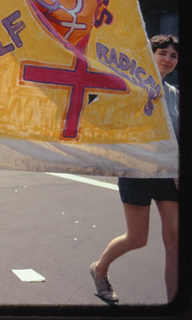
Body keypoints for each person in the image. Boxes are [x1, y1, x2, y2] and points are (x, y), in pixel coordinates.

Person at [89, 34, 179, 303]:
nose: (168, 59)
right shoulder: (129, 87)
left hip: (168, 176)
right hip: (135, 172)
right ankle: (100, 268)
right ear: (150, 55)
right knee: (138, 238)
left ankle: (174, 304)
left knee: (175, 240)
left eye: (174, 55)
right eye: (162, 53)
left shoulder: (175, 96)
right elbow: (99, 113)